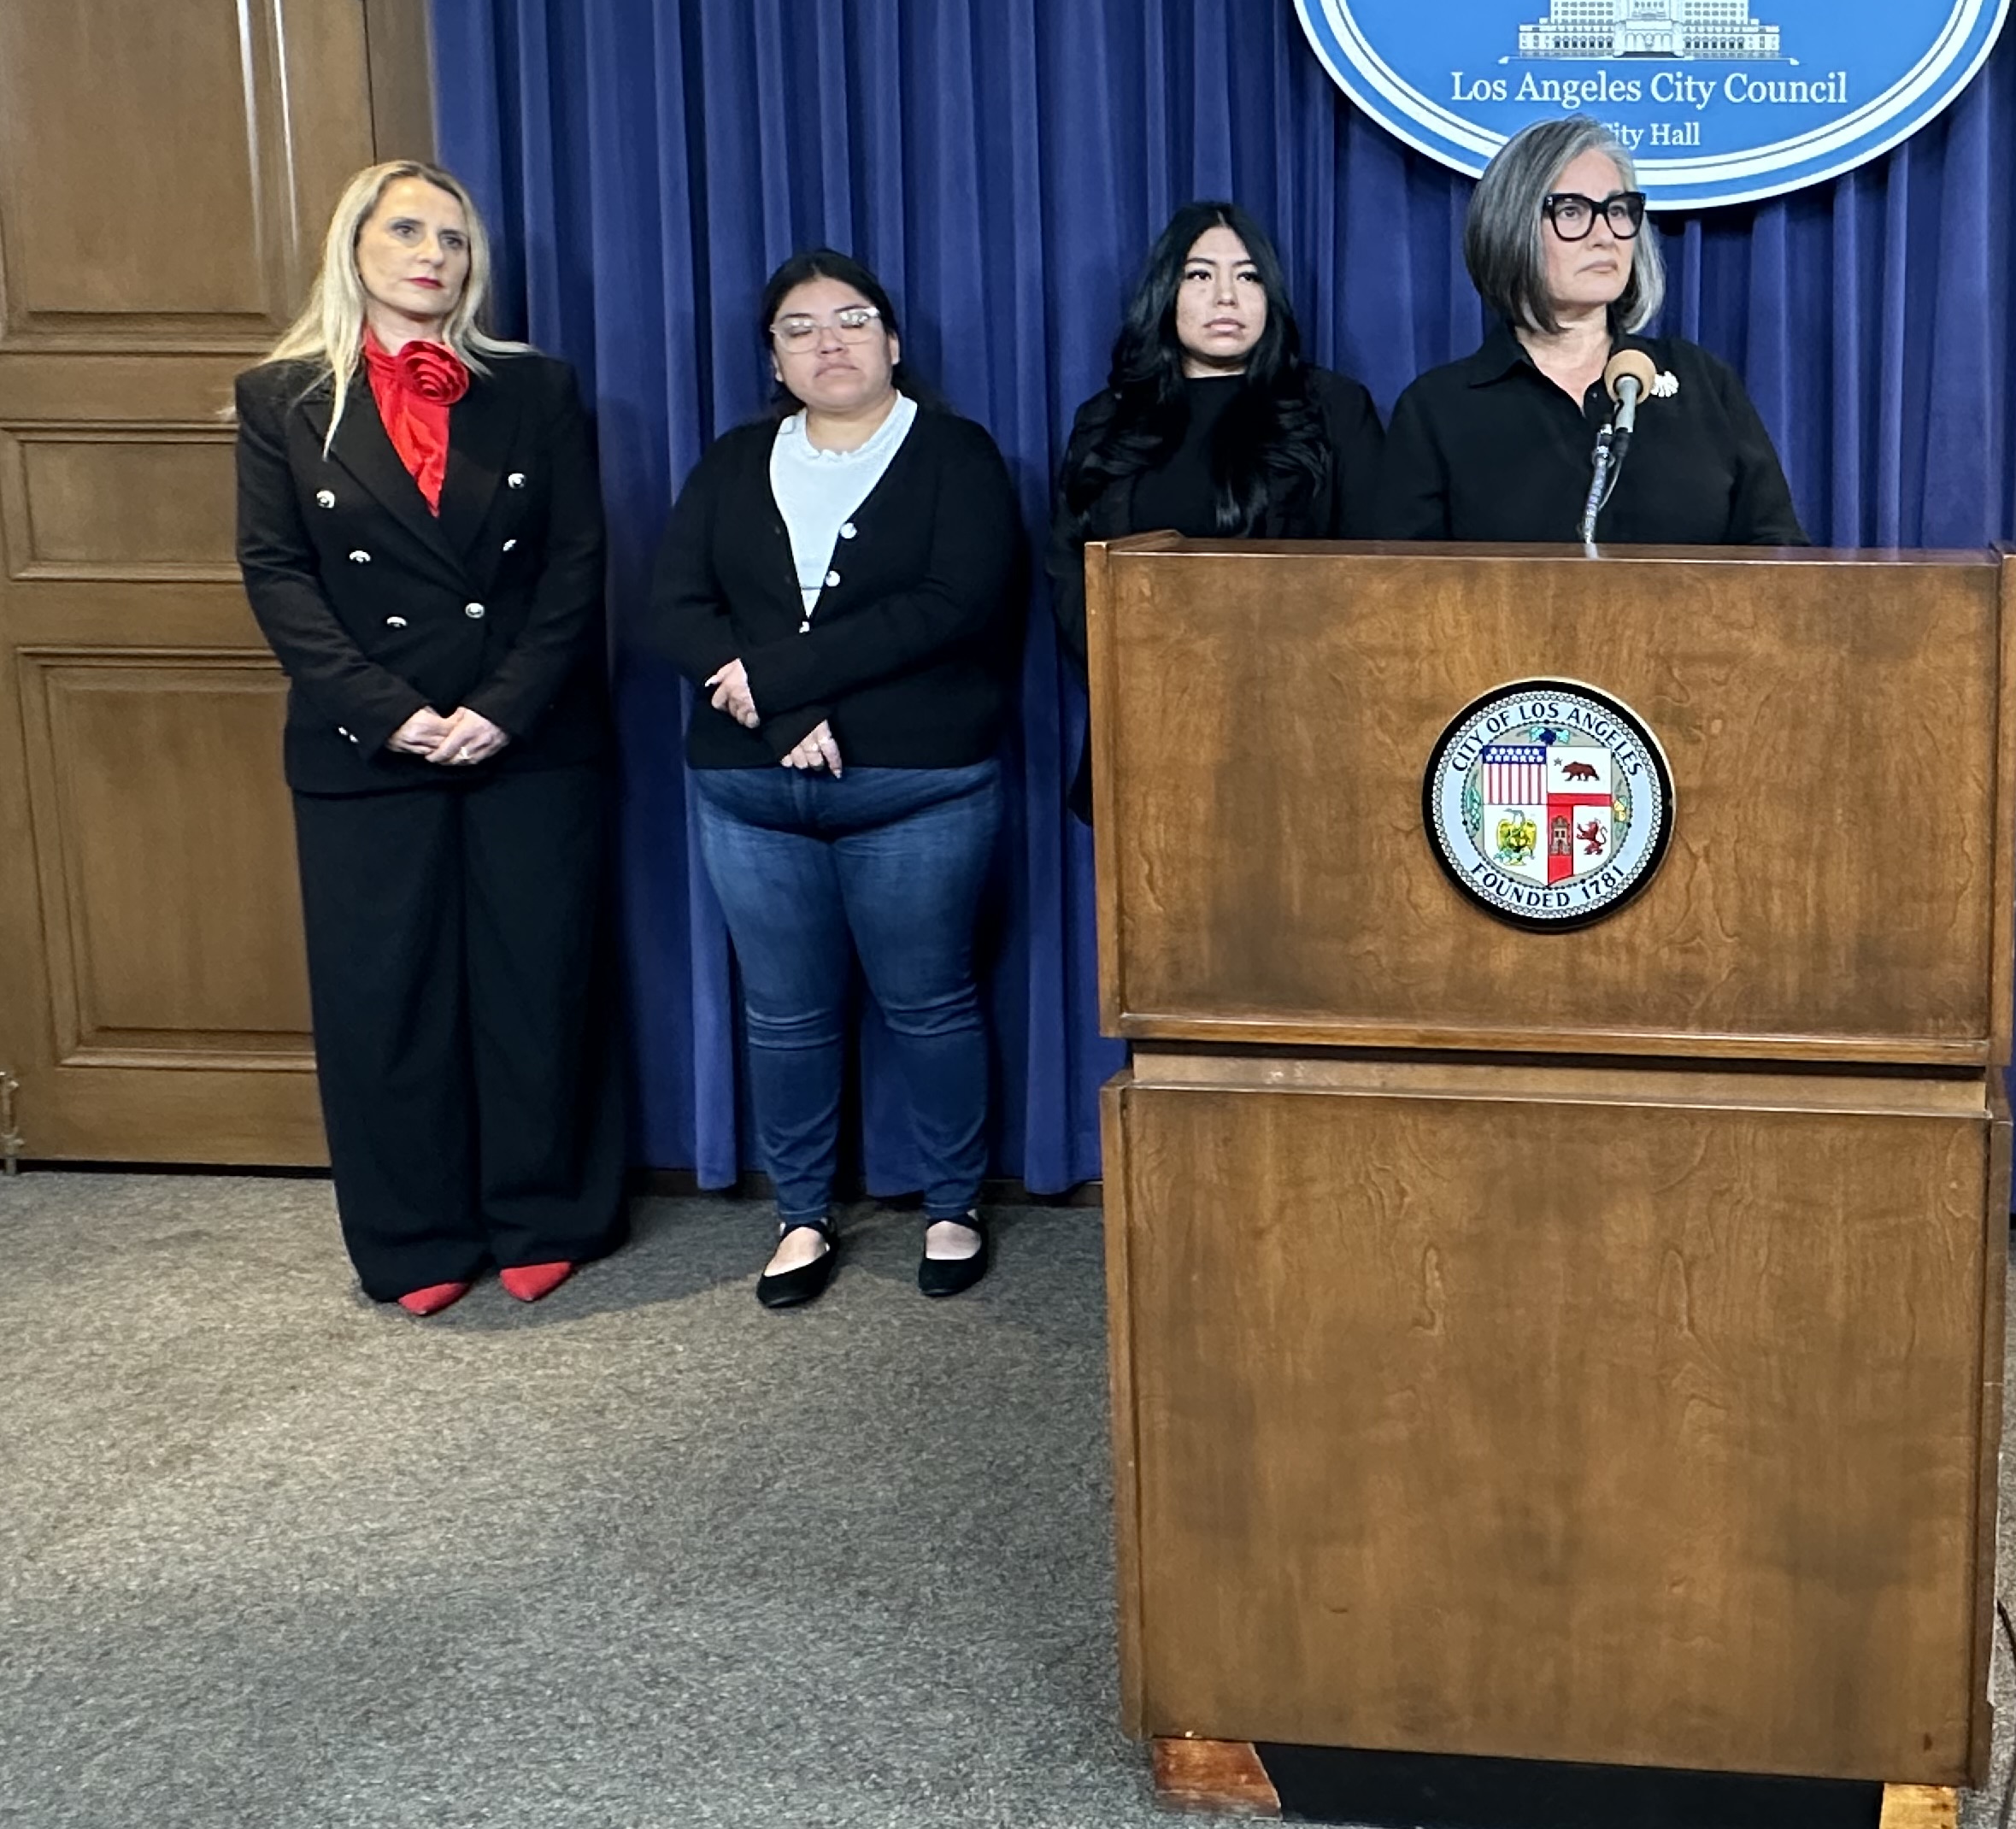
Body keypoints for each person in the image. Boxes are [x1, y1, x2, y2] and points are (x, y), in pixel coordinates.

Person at [233, 160, 626, 1316]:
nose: (433, 254)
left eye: (453, 239)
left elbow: (575, 563)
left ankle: (545, 1211)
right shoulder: (282, 397)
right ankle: (415, 1236)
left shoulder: (535, 388)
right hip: (366, 742)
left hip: (530, 733)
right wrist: (389, 709)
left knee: (534, 977)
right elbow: (277, 572)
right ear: (354, 245)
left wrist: (500, 705)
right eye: (407, 230)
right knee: (385, 994)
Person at [647, 250, 1028, 1311]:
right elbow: (675, 608)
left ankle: (953, 1202)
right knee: (785, 1018)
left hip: (917, 790)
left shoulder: (957, 454)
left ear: (894, 341)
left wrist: (778, 679)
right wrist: (781, 716)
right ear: (774, 355)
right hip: (750, 795)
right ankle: (801, 1215)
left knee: (930, 1003)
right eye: (800, 326)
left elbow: (955, 607)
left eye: (853, 319)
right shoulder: (731, 463)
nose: (830, 340)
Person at [1050, 201, 1383, 817]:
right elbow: (1072, 571)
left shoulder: (1332, 408)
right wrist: (1147, 674)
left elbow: (1368, 572)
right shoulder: (1107, 420)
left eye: (1248, 276)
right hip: (1146, 726)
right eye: (1200, 276)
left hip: (1297, 736)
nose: (1226, 296)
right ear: (1165, 294)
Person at [1376, 118, 1807, 547]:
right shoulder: (1439, 409)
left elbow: (1780, 558)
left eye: (1617, 211)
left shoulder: (1701, 384)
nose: (1604, 236)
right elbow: (1400, 589)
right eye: (1572, 212)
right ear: (1511, 226)